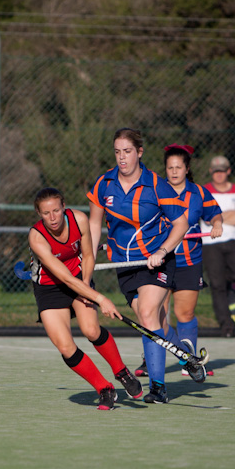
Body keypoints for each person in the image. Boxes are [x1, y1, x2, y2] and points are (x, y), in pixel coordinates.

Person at [87, 128, 189, 404]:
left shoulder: (156, 185)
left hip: (157, 261)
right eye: (117, 152)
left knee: (146, 313)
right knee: (154, 321)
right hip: (125, 264)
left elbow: (181, 224)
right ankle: (184, 355)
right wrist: (90, 259)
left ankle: (158, 388)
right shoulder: (104, 183)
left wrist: (163, 250)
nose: (122, 157)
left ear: (140, 152)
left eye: (128, 151)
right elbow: (94, 224)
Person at [28, 187, 143, 409]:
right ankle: (104, 388)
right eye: (46, 213)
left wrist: (87, 284)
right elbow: (64, 277)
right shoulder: (37, 237)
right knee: (65, 346)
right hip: (49, 288)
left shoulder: (79, 219)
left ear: (64, 206)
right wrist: (100, 298)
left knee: (91, 330)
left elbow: (88, 255)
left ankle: (121, 371)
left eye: (56, 210)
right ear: (39, 214)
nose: (53, 218)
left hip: (80, 276)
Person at [153, 144, 222, 376]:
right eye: (169, 168)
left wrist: (217, 224)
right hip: (161, 262)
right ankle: (150, 360)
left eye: (178, 167)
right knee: (156, 316)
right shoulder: (156, 191)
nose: (174, 172)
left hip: (188, 262)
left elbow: (215, 213)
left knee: (185, 314)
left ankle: (189, 361)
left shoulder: (199, 193)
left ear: (187, 168)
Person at [202, 155, 235, 338]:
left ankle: (221, 277)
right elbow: (206, 219)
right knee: (217, 287)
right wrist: (229, 214)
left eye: (222, 171)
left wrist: (217, 216)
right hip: (210, 242)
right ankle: (226, 326)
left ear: (228, 171)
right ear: (211, 172)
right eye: (216, 171)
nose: (219, 174)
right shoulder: (203, 191)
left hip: (233, 240)